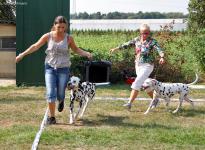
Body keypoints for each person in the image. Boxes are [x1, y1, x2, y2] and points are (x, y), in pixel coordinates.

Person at [16, 16, 92, 124]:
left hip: (63, 69)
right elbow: (35, 46)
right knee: (51, 93)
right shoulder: (48, 36)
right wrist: (22, 55)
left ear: (66, 27)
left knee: (61, 93)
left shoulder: (69, 38)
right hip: (50, 68)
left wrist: (86, 53)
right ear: (54, 25)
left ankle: (61, 101)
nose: (61, 29)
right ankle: (52, 118)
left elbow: (76, 49)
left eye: (63, 27)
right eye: (59, 27)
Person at [110, 24, 165, 110]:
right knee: (144, 85)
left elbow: (159, 49)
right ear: (140, 33)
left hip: (147, 65)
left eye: (147, 33)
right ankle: (156, 99)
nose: (145, 35)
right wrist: (115, 49)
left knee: (137, 82)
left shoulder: (152, 41)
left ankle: (129, 103)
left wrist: (162, 57)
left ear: (149, 33)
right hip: (138, 65)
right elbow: (126, 44)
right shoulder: (137, 40)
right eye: (143, 33)